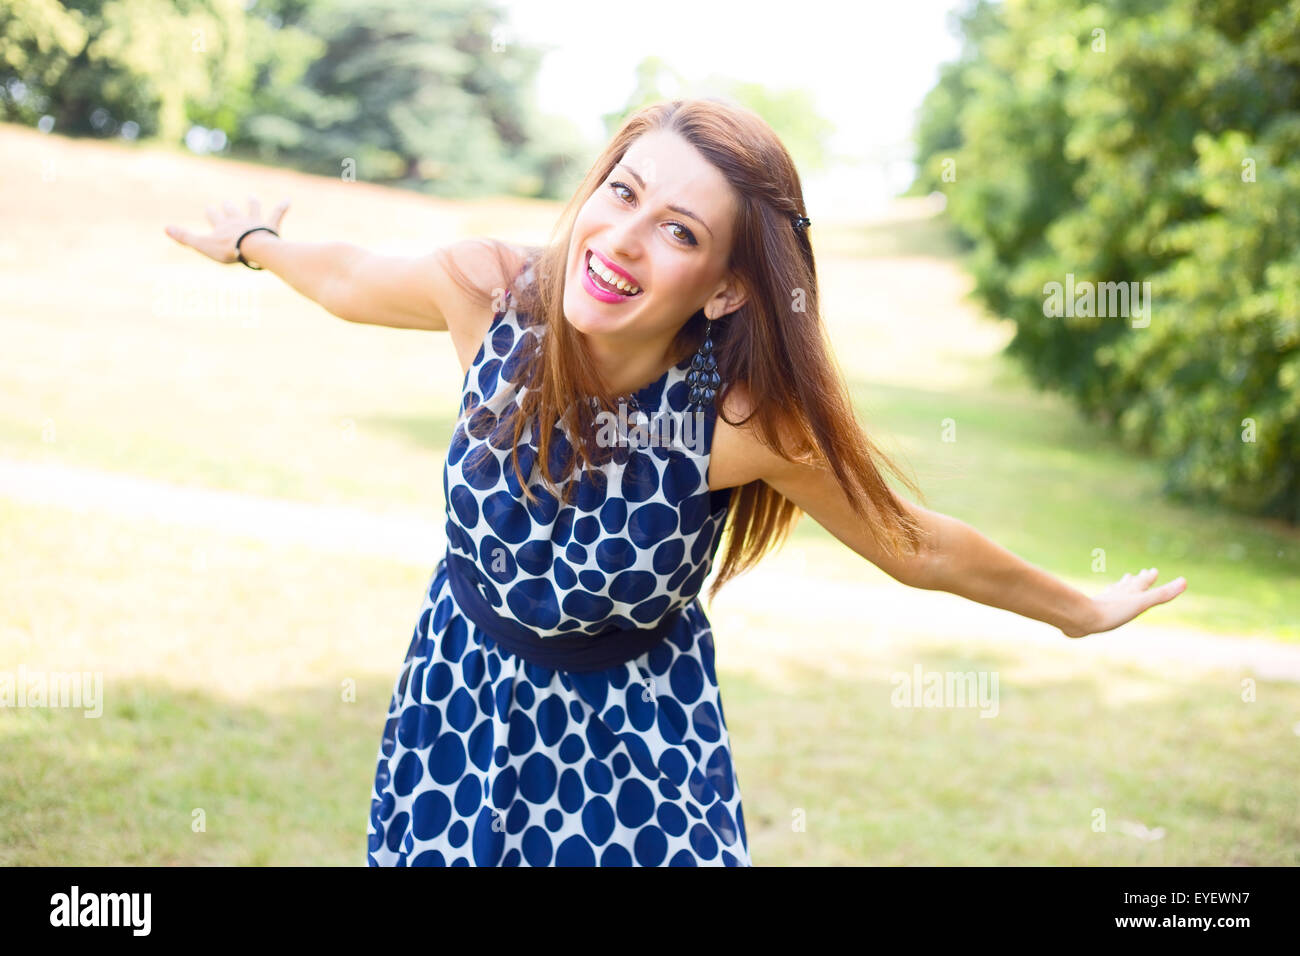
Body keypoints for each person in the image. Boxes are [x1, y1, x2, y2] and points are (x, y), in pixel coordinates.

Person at [165, 97, 1187, 866]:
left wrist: (1078, 610)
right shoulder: (491, 291)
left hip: (630, 747)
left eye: (680, 231)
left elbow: (911, 540)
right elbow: (345, 278)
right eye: (624, 192)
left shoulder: (737, 422)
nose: (621, 240)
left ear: (729, 284)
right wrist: (255, 245)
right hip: (460, 700)